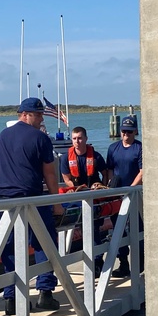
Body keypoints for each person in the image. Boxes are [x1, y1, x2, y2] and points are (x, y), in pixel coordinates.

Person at [0, 97, 61, 314]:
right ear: (24, 114)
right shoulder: (40, 138)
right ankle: (45, 292)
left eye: (41, 114)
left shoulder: (2, 136)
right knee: (44, 241)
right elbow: (49, 174)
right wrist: (56, 202)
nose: (41, 119)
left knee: (9, 247)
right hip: (30, 197)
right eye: (38, 114)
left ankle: (11, 298)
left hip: (3, 198)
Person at [60, 126, 111, 274]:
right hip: (77, 197)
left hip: (94, 198)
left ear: (86, 139)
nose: (77, 141)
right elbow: (66, 179)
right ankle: (75, 262)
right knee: (76, 228)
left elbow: (105, 173)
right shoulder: (65, 158)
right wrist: (77, 188)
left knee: (94, 228)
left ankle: (97, 260)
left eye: (80, 138)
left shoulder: (95, 156)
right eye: (75, 138)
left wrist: (101, 185)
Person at [105, 115, 143, 278]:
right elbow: (109, 170)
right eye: (123, 131)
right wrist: (112, 187)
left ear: (135, 131)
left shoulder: (139, 148)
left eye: (129, 131)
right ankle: (123, 263)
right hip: (117, 194)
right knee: (117, 228)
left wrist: (131, 188)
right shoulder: (113, 148)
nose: (125, 135)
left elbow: (142, 171)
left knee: (138, 228)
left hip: (135, 194)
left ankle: (140, 263)